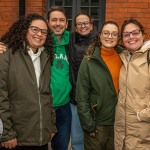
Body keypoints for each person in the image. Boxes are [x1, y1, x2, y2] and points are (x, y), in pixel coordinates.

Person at [0, 6, 71, 150]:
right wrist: (7, 133)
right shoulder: (7, 55)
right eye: (35, 29)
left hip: (42, 136)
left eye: (44, 32)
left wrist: (50, 125)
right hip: (17, 137)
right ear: (25, 29)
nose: (39, 34)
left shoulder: (44, 57)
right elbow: (2, 96)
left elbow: (46, 95)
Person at [75, 21, 123, 150]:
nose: (109, 37)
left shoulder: (124, 57)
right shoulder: (89, 61)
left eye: (114, 34)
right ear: (100, 35)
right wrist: (88, 124)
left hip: (118, 122)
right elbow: (81, 96)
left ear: (118, 38)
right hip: (97, 123)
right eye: (106, 33)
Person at [115, 18, 150, 150]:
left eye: (135, 33)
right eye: (126, 34)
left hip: (143, 133)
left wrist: (142, 115)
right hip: (123, 133)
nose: (131, 37)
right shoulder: (124, 58)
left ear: (143, 34)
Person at [69, 12, 98, 150]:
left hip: (96, 100)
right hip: (76, 98)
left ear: (91, 25)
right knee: (77, 139)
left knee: (97, 138)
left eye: (86, 22)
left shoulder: (100, 41)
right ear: (75, 27)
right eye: (79, 23)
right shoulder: (71, 40)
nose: (83, 26)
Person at [47, 6, 72, 150]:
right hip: (44, 106)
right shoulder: (41, 41)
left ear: (66, 23)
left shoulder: (72, 41)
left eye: (61, 20)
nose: (58, 23)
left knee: (61, 146)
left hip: (65, 106)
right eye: (54, 20)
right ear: (48, 22)